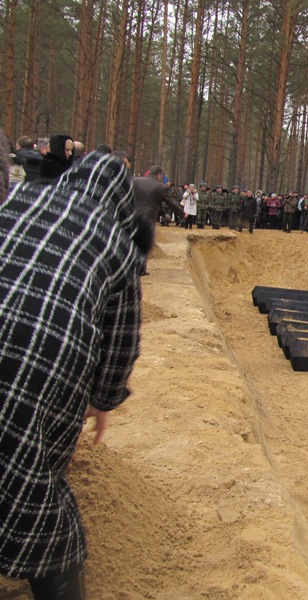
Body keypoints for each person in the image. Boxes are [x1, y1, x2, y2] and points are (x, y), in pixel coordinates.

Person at [0, 130, 151, 599]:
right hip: (37, 366)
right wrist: (102, 400)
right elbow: (120, 345)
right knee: (34, 489)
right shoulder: (118, 245)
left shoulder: (19, 199)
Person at [132, 165, 186, 231]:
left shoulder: (135, 181)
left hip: (133, 216)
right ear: (159, 175)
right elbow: (170, 203)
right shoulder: (160, 187)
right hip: (148, 219)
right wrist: (182, 213)